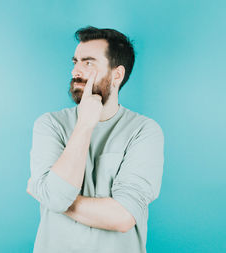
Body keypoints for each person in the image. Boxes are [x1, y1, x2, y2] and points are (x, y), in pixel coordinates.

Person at [26, 26, 164, 253]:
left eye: (88, 63)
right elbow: (55, 196)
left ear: (116, 75)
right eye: (75, 62)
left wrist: (50, 196)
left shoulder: (144, 131)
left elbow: (123, 217)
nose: (75, 71)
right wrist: (85, 124)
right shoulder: (49, 124)